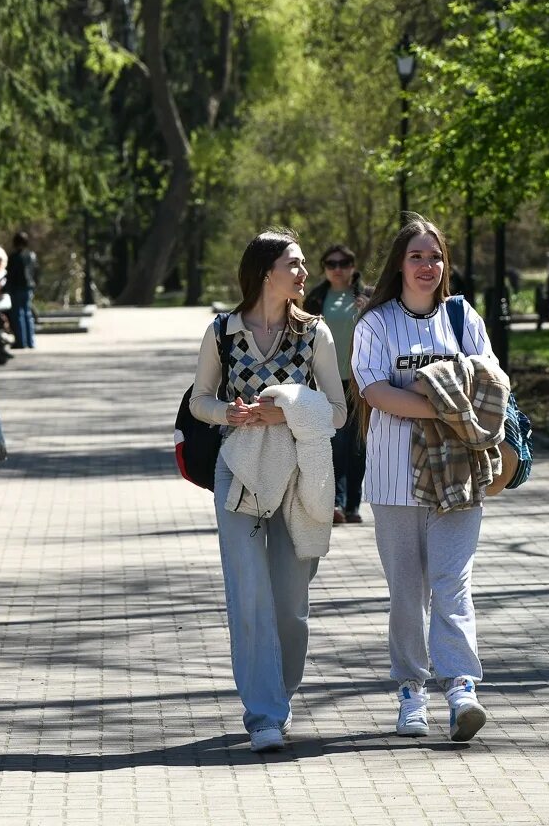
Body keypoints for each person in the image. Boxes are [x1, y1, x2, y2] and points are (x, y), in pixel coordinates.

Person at [187, 230, 347, 753]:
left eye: (303, 265)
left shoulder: (314, 333)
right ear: (264, 272)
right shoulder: (221, 332)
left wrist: (284, 412)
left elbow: (339, 410)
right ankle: (264, 714)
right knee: (248, 594)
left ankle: (282, 691)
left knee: (289, 603)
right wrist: (226, 413)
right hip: (238, 470)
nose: (304, 274)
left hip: (298, 472)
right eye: (294, 265)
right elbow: (200, 401)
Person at [352, 214, 496, 744]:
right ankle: (411, 689)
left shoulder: (463, 320)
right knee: (407, 591)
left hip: (459, 475)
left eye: (435, 257)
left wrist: (448, 411)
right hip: (395, 479)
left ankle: (461, 688)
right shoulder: (376, 324)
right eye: (416, 256)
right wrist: (442, 406)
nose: (427, 266)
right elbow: (374, 391)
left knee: (452, 584)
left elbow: (489, 384)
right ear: (399, 263)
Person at [306, 243, 366, 524]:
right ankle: (336, 503)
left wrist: (369, 311)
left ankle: (353, 505)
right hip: (328, 381)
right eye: (332, 264)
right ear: (324, 269)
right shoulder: (315, 298)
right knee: (336, 442)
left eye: (344, 263)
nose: (338, 269)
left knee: (358, 445)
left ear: (353, 266)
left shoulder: (367, 297)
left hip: (362, 380)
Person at [5, 230, 38, 350]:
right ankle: (30, 341)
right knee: (28, 313)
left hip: (17, 287)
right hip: (28, 286)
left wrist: (7, 287)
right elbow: (35, 272)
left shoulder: (14, 257)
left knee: (18, 314)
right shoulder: (31, 255)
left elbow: (11, 273)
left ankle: (21, 341)